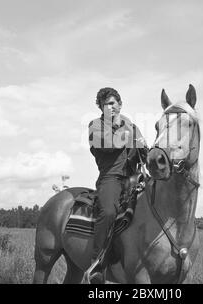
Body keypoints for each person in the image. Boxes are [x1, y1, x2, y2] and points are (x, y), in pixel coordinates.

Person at [88, 87, 148, 283]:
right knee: (109, 213)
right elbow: (106, 145)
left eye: (113, 103)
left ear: (120, 105)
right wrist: (128, 132)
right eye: (105, 104)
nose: (110, 107)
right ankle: (97, 264)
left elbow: (144, 152)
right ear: (101, 108)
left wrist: (150, 151)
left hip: (134, 177)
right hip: (110, 178)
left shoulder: (133, 127)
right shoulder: (95, 125)